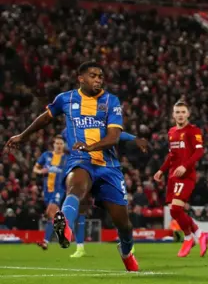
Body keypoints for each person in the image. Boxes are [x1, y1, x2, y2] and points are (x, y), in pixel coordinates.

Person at [4, 61, 139, 271]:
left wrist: (90, 146)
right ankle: (64, 225)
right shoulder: (66, 99)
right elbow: (45, 117)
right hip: (80, 159)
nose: (98, 79)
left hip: (108, 166)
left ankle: (126, 251)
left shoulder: (111, 101)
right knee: (76, 186)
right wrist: (23, 135)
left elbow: (113, 137)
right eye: (93, 75)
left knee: (124, 224)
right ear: (81, 78)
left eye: (100, 76)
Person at [69, 130, 148, 258]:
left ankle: (126, 242)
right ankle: (80, 246)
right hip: (86, 169)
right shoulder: (72, 125)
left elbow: (117, 134)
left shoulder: (102, 122)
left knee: (118, 213)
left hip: (106, 171)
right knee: (81, 206)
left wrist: (135, 138)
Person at [154, 101, 208, 258]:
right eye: (177, 112)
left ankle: (189, 238)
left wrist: (185, 166)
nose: (180, 114)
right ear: (173, 115)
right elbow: (171, 155)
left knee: (176, 210)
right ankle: (200, 235)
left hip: (186, 176)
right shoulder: (172, 132)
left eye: (183, 112)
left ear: (188, 114)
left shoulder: (193, 131)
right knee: (175, 212)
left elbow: (199, 153)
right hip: (173, 175)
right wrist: (161, 170)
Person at [34, 135, 67, 250]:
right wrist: (40, 171)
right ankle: (51, 240)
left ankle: (52, 239)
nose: (59, 146)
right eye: (57, 143)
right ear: (53, 144)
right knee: (52, 216)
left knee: (50, 211)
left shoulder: (67, 159)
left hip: (60, 189)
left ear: (64, 146)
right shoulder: (46, 155)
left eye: (61, 144)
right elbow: (35, 168)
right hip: (47, 189)